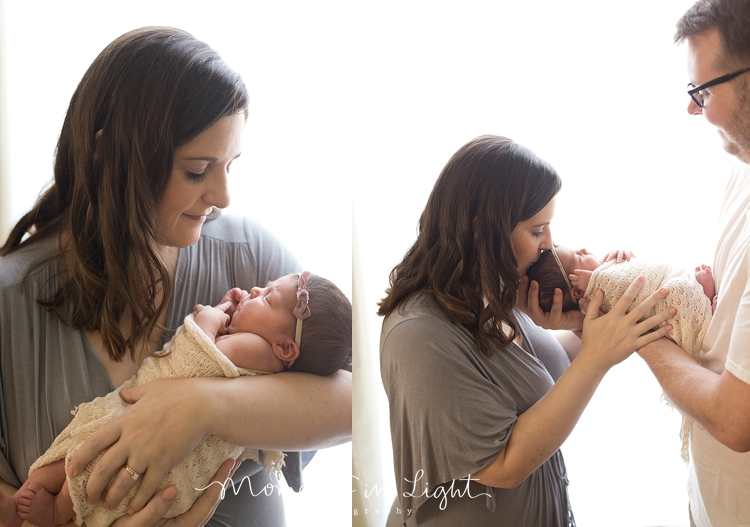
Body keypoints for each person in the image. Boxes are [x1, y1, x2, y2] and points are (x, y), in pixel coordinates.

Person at [0, 27, 351, 527]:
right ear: (108, 157)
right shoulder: (9, 307)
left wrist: (203, 406)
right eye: (197, 170)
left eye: (229, 165)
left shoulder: (254, 262)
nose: (223, 196)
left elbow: (355, 399)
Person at [378, 135, 675, 526]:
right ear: (483, 228)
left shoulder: (491, 292)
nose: (549, 243)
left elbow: (533, 390)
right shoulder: (419, 335)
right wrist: (596, 359)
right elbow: (502, 465)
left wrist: (583, 326)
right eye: (537, 231)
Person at [0, 271, 352, 527]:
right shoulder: (269, 348)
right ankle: (36, 505)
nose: (256, 289)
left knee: (85, 465)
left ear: (286, 347)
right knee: (80, 459)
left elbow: (204, 353)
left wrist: (210, 318)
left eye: (268, 298)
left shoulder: (260, 351)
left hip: (153, 450)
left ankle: (57, 509)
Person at [633, 1, 750, 525]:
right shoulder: (741, 169)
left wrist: (637, 329)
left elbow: (734, 419)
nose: (693, 109)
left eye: (702, 92)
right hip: (714, 500)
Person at [527, 246, 715, 461]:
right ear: (578, 291)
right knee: (675, 300)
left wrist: (624, 257)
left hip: (662, 289)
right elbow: (615, 295)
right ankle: (703, 304)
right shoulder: (599, 287)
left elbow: (638, 277)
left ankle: (703, 303)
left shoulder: (605, 271)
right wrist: (596, 282)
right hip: (672, 304)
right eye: (579, 257)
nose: (584, 249)